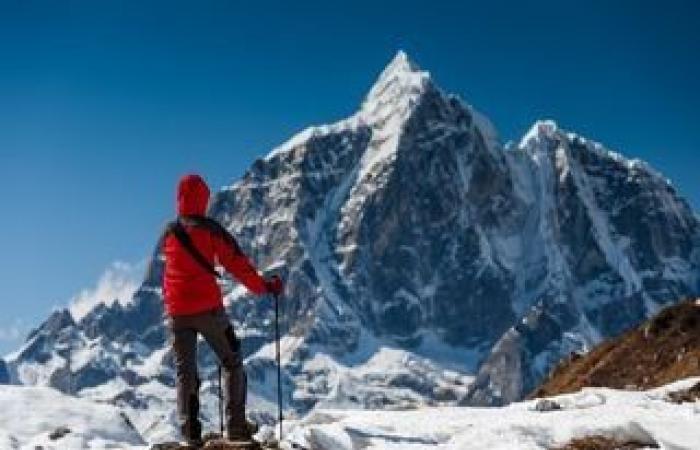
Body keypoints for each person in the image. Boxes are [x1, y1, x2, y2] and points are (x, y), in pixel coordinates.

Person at [157, 173, 283, 448]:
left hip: (178, 314)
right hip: (208, 310)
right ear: (204, 199)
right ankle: (236, 427)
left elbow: (165, 274)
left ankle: (191, 435)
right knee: (232, 359)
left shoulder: (169, 232)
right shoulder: (211, 230)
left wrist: (172, 305)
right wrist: (265, 287)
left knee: (185, 373)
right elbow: (238, 264)